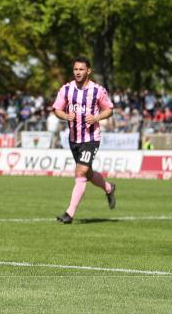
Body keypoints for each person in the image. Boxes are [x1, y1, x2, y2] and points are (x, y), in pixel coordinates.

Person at [52, 57, 117, 223]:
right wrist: (65, 115)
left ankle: (69, 214)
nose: (78, 72)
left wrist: (96, 117)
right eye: (75, 69)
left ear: (88, 71)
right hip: (74, 139)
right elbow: (57, 109)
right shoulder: (66, 89)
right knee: (87, 174)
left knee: (80, 172)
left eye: (81, 69)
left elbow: (109, 109)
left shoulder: (97, 90)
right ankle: (109, 188)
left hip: (91, 138)